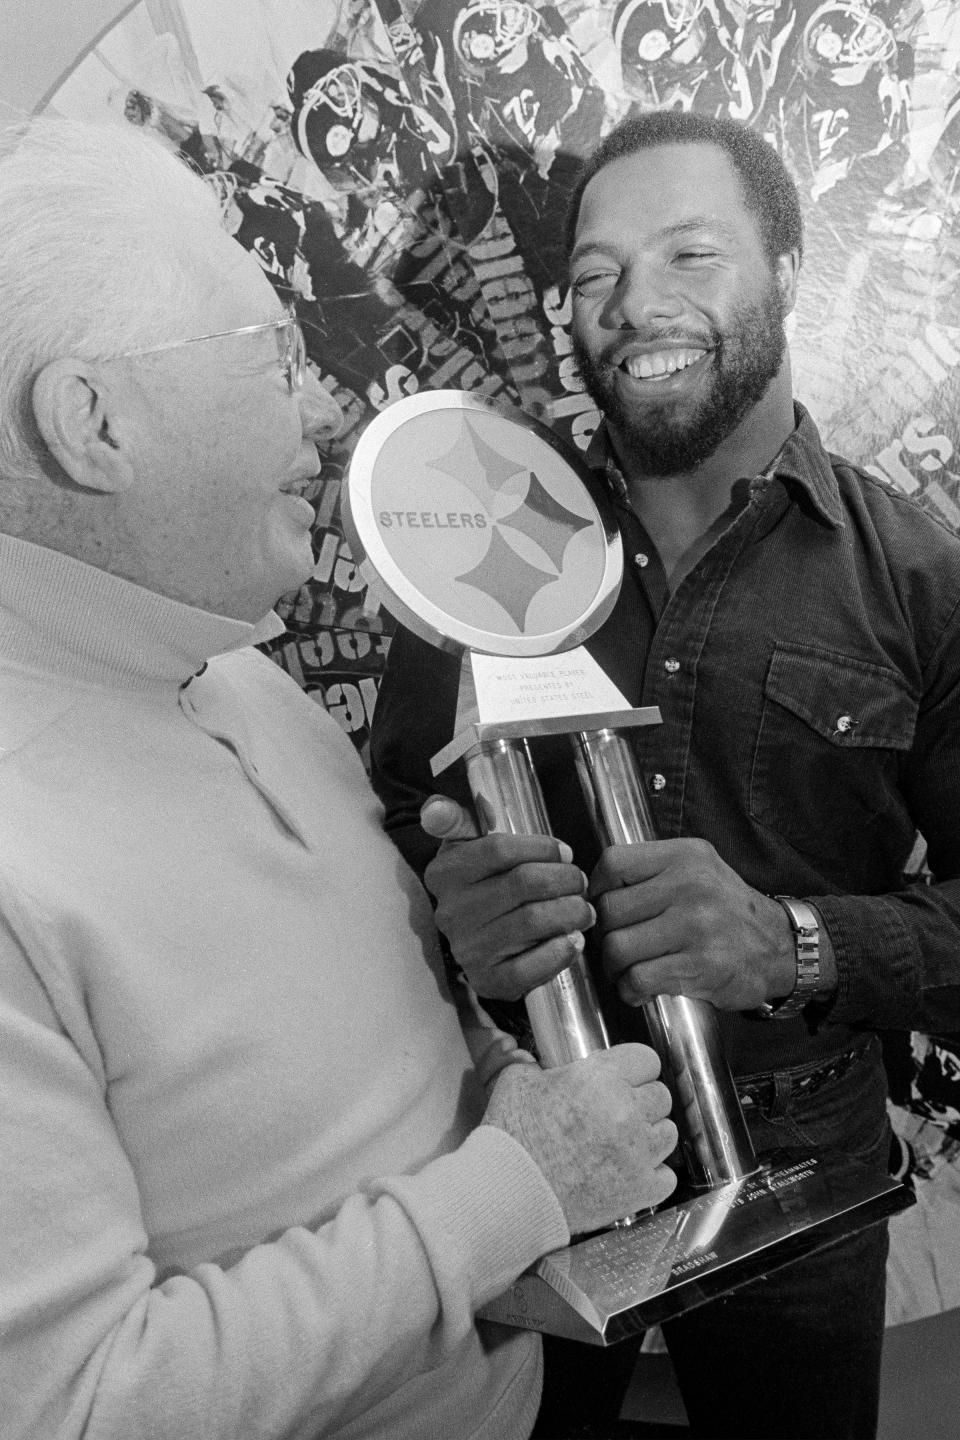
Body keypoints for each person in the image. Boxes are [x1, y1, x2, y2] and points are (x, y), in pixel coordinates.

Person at [0, 116, 680, 1440]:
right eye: (270, 358)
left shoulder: (239, 676)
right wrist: (520, 1184)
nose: (325, 407)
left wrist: (481, 997)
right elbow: (77, 1408)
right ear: (94, 422)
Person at [369, 108, 960, 1439]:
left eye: (691, 254)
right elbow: (401, 819)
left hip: (810, 1180)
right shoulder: (469, 543)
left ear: (792, 272)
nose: (636, 305)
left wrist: (795, 945)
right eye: (595, 274)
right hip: (532, 1158)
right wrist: (446, 915)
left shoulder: (917, 578)